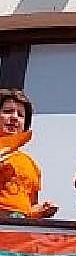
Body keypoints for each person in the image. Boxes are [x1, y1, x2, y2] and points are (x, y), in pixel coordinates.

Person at [0, 89, 56, 219]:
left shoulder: (31, 164)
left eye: (20, 115)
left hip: (20, 227)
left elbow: (30, 207)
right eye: (7, 111)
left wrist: (41, 210)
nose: (14, 117)